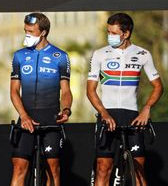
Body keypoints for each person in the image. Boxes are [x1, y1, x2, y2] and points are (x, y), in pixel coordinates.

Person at [87, 13, 163, 186]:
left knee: (139, 170)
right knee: (102, 168)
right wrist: (103, 114)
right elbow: (90, 90)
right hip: (107, 115)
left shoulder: (143, 54)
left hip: (133, 117)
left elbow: (158, 86)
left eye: (113, 33)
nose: (110, 37)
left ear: (126, 33)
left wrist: (146, 109)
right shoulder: (99, 54)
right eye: (108, 32)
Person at [10, 12, 73, 185]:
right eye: (25, 31)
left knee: (53, 169)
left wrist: (66, 110)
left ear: (43, 32)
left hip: (50, 117)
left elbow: (66, 91)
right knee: (19, 167)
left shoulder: (60, 57)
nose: (27, 35)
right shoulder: (19, 56)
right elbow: (14, 91)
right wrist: (23, 116)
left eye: (31, 31)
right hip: (26, 117)